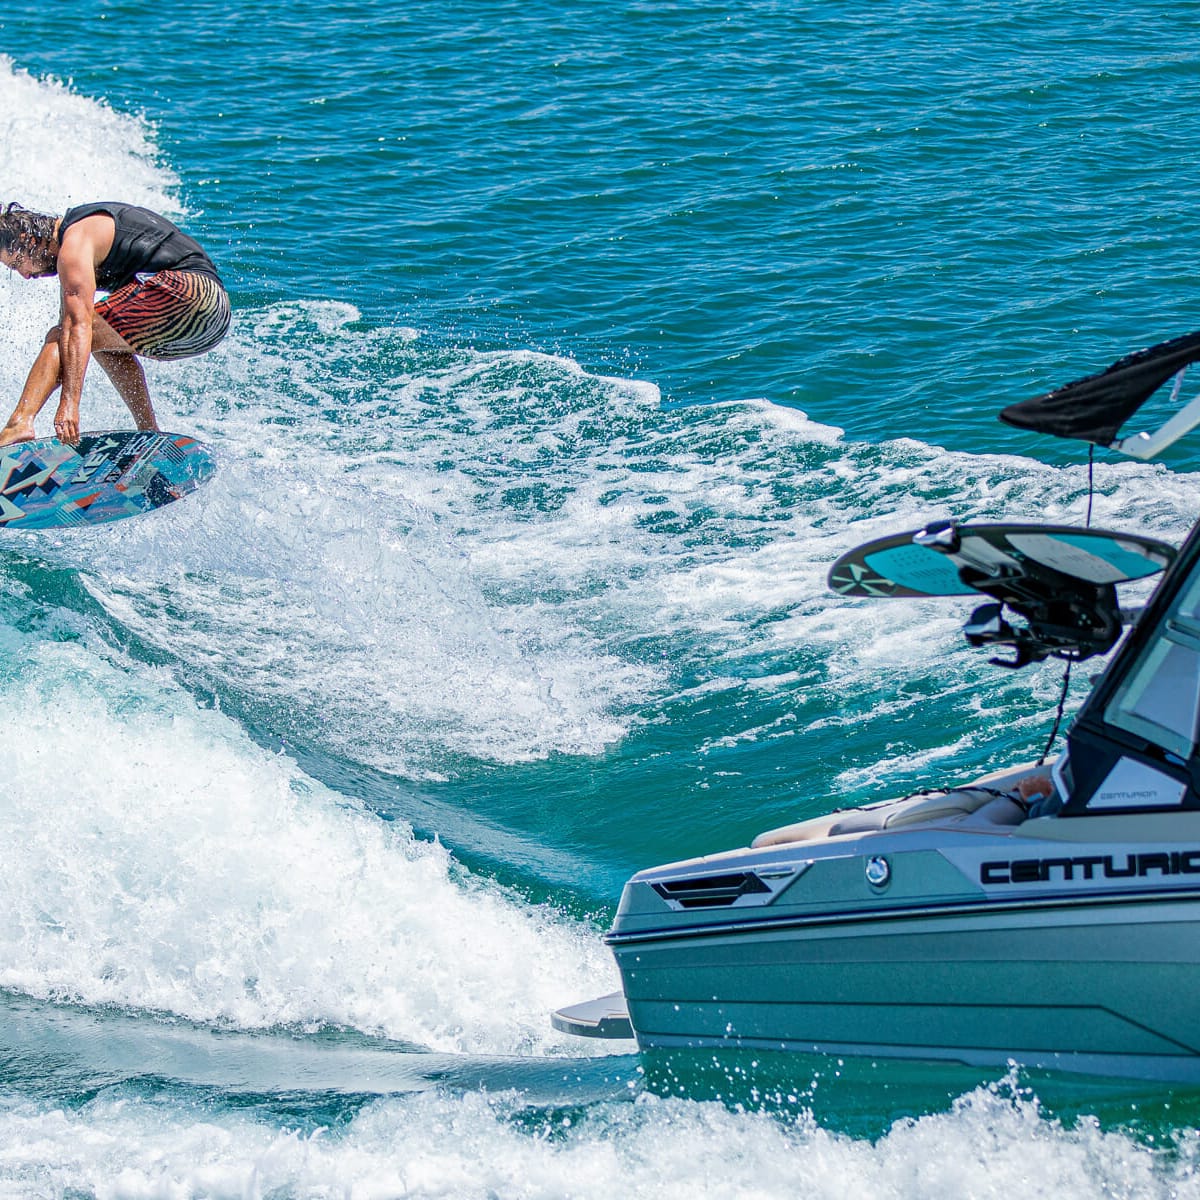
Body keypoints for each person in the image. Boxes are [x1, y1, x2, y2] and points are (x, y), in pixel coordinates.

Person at [0, 201, 230, 446]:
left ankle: (18, 425)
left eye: (17, 264)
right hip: (214, 316)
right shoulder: (79, 237)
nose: (25, 275)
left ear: (29, 240)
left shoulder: (74, 244)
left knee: (71, 335)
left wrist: (69, 405)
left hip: (190, 293)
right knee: (94, 341)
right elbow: (73, 344)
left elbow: (72, 331)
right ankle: (149, 431)